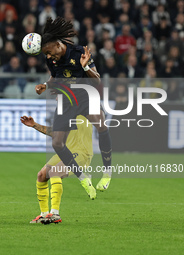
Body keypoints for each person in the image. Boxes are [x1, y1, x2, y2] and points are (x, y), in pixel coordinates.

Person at [35, 17, 112, 191]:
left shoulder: (78, 53)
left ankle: (107, 171)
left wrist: (85, 68)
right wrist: (46, 85)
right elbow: (56, 76)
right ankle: (82, 177)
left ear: (57, 44)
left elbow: (97, 81)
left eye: (49, 52)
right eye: (45, 54)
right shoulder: (51, 58)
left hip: (86, 96)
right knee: (57, 143)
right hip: (67, 99)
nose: (48, 56)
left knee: (102, 125)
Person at [21, 115, 95, 224]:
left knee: (55, 172)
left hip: (81, 152)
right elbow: (56, 133)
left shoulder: (81, 108)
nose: (56, 99)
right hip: (66, 151)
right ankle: (44, 215)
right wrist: (34, 125)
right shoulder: (64, 112)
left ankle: (55, 213)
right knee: (41, 175)